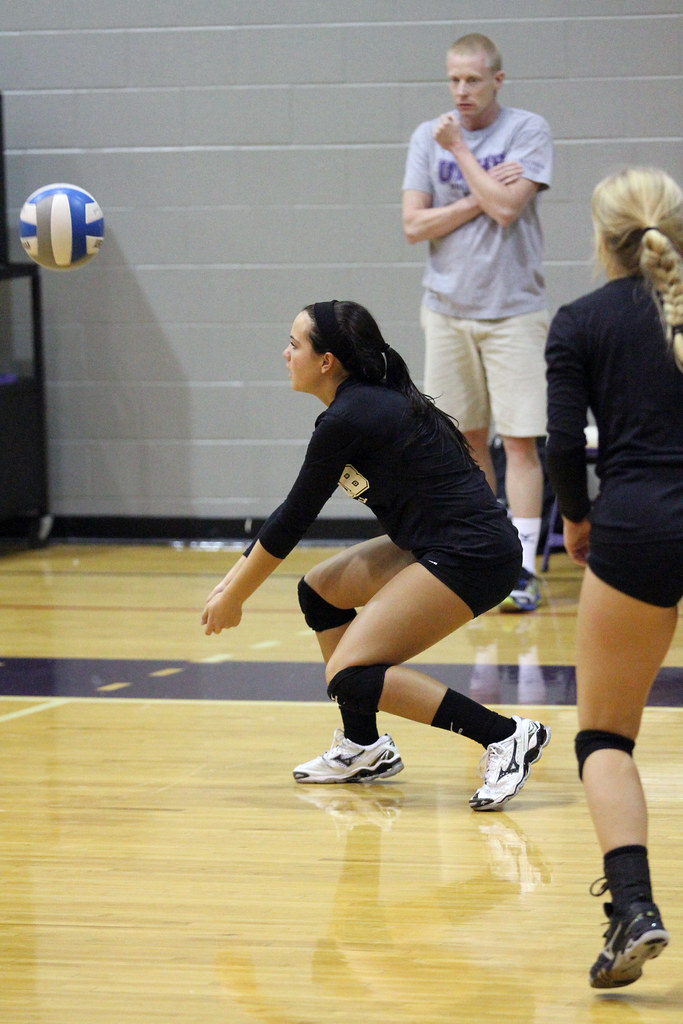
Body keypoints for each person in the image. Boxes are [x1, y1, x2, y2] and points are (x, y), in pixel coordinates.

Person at [202, 299, 551, 810]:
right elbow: (287, 517)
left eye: (294, 344)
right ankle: (363, 745)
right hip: (440, 542)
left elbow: (292, 518)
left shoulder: (350, 416)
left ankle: (505, 736)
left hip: (473, 555)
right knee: (319, 593)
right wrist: (229, 585)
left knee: (349, 675)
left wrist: (236, 595)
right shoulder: (358, 407)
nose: (285, 354)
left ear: (326, 362)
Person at [545, 166, 683, 987]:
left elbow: (562, 445)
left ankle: (632, 907)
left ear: (602, 240)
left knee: (604, 736)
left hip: (636, 525)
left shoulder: (580, 321)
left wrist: (574, 516)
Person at [402, 32, 553, 612]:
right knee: (464, 441)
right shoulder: (426, 135)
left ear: (497, 80)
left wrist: (462, 154)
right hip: (446, 311)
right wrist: (478, 196)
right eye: (453, 79)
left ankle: (523, 568)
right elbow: (414, 226)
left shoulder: (527, 130)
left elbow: (510, 209)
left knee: (519, 441)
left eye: (472, 79)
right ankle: (487, 558)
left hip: (514, 311)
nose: (461, 91)